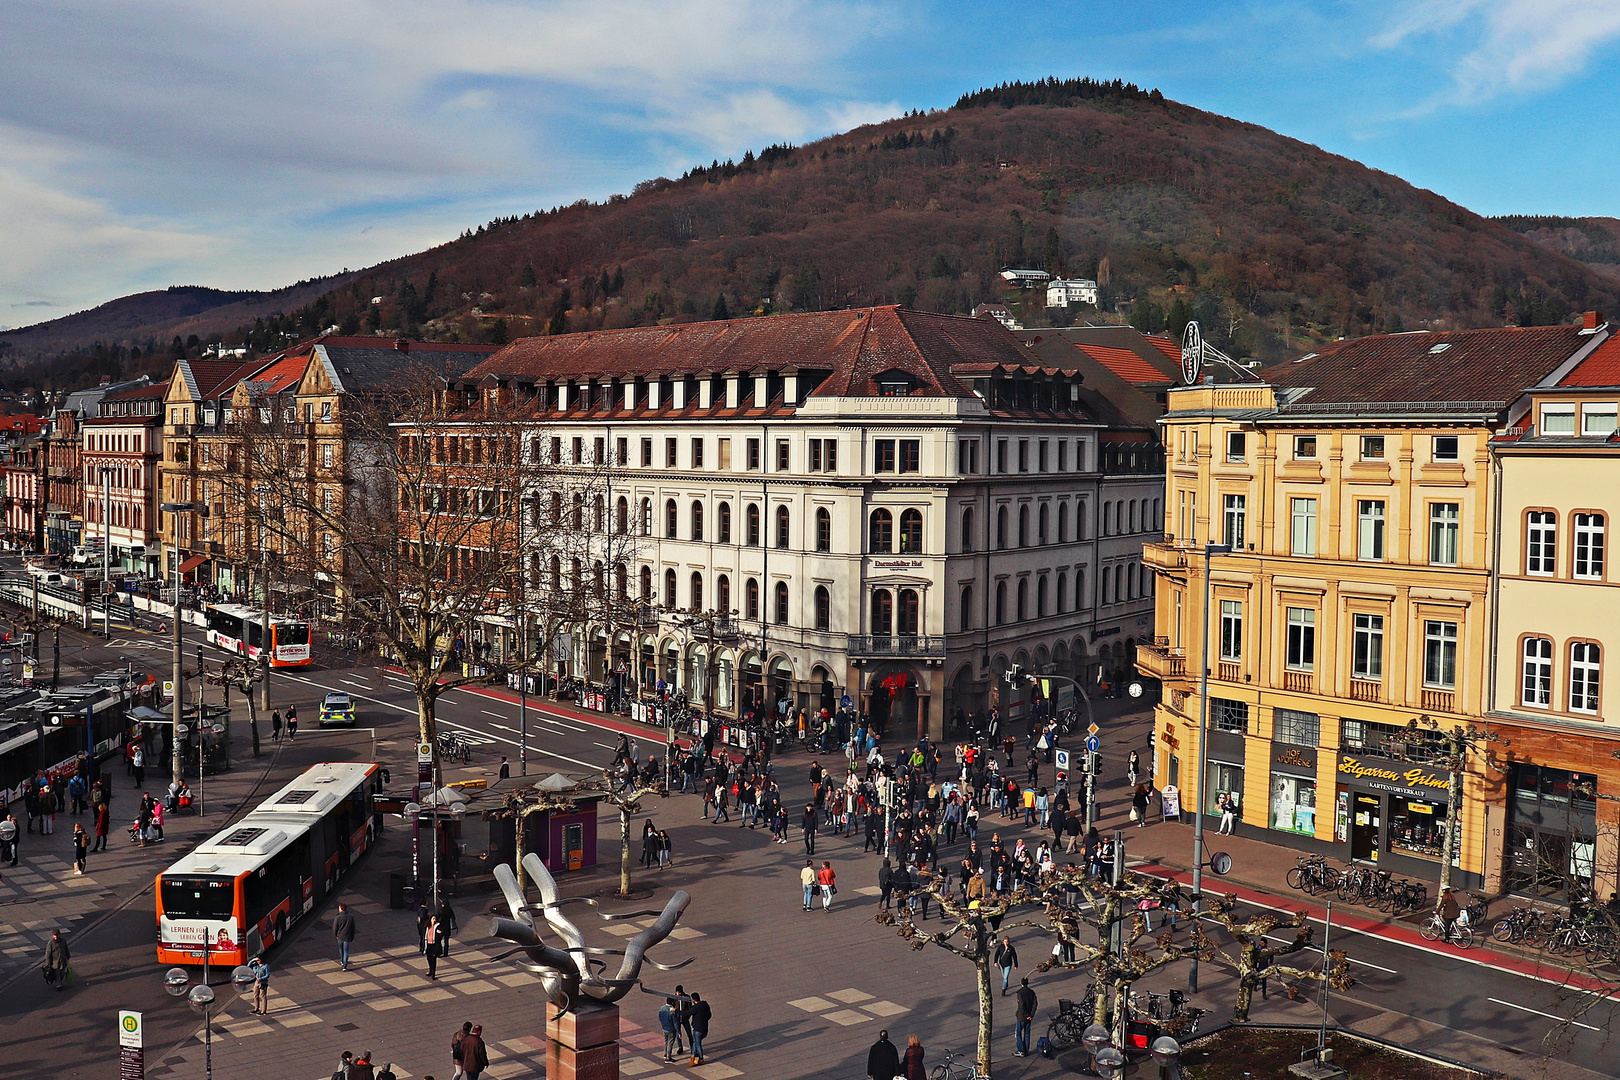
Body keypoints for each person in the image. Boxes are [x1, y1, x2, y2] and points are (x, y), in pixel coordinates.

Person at [1014, 976, 1037, 1056]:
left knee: (1018, 1033)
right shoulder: (1032, 992)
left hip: (1022, 1016)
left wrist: (1027, 1015)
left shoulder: (1020, 993)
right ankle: (1026, 1049)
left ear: (1021, 984)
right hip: (1029, 1017)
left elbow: (1021, 1006)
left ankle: (1021, 1050)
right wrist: (1031, 1015)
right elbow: (1035, 1004)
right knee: (1027, 1033)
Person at [333, 902, 358, 970]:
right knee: (346, 950)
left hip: (340, 936)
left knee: (341, 949)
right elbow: (353, 927)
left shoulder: (338, 917)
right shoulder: (350, 917)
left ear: (341, 909)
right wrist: (352, 936)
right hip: (347, 936)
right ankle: (345, 964)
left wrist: (336, 934)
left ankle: (342, 960)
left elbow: (335, 927)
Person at [688, 992, 710, 1065]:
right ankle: (692, 1056)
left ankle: (701, 1058)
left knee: (698, 1043)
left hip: (697, 1029)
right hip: (704, 1028)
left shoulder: (695, 1008)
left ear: (694, 1000)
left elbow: (686, 1013)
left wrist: (676, 1011)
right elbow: (709, 1015)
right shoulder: (705, 1005)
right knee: (695, 1042)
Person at [659, 997, 680, 1062]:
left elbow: (660, 1017)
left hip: (664, 1028)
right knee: (670, 1043)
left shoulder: (662, 1008)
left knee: (666, 1041)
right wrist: (678, 1031)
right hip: (671, 1029)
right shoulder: (672, 1011)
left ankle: (665, 1053)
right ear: (672, 1003)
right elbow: (675, 1023)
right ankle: (668, 1057)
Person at [424, 914, 441, 979]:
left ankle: (433, 973)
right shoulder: (428, 926)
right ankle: (430, 969)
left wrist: (439, 932)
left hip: (434, 945)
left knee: (433, 959)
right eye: (433, 919)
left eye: (435, 919)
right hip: (428, 944)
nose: (434, 920)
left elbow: (442, 932)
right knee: (428, 958)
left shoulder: (437, 926)